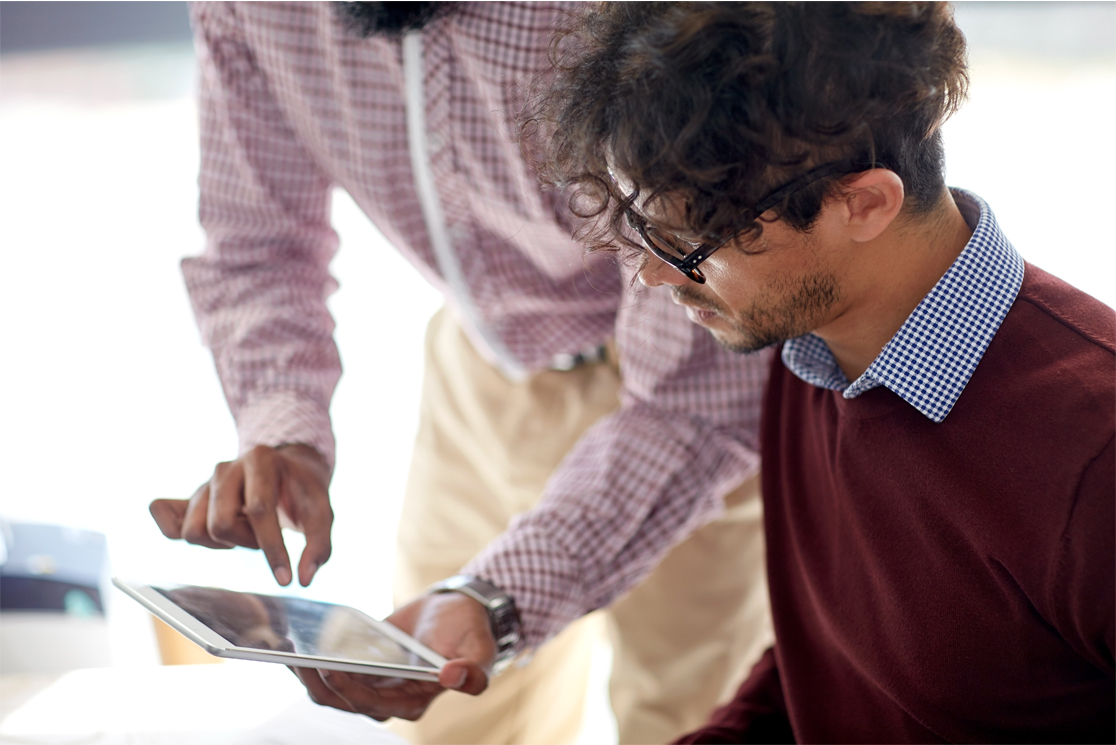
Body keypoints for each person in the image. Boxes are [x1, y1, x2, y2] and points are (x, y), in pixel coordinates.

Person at [147, 3, 773, 744]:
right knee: (446, 717)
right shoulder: (248, 10)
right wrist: (286, 433)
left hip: (683, 373)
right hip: (476, 371)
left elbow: (692, 408)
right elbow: (258, 246)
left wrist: (497, 600)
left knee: (690, 720)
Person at [522, 2, 1111, 741]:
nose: (652, 277)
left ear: (863, 203)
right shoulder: (812, 350)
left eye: (689, 243)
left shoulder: (1095, 459)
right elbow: (826, 665)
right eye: (641, 226)